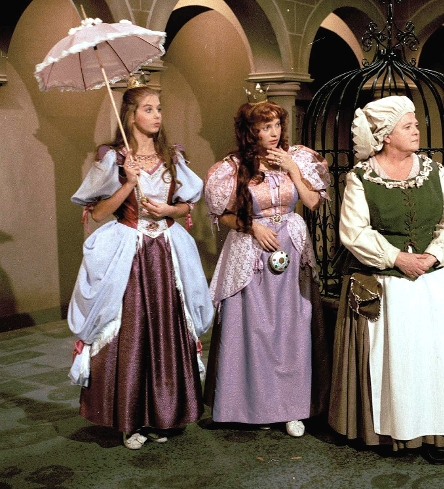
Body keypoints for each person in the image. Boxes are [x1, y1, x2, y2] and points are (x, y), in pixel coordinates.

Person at [67, 84, 214, 450]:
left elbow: (186, 205)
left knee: (166, 329)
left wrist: (169, 210)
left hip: (165, 252)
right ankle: (129, 419)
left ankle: (163, 414)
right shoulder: (114, 158)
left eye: (159, 108)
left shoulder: (172, 155)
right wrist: (128, 183)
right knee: (131, 330)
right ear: (130, 116)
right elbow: (98, 213)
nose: (157, 115)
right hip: (129, 253)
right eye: (148, 109)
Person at [328, 95, 444, 463]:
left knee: (435, 358)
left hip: (434, 281)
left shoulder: (433, 171)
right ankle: (396, 430)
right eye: (408, 126)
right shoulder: (361, 177)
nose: (417, 130)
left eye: (416, 124)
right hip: (388, 283)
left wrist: (433, 255)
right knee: (399, 360)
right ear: (387, 135)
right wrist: (396, 258)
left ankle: (438, 433)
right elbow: (354, 231)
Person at [203, 100, 331, 437]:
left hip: (292, 249)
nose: (273, 133)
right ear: (251, 132)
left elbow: (313, 202)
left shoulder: (296, 157)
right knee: (255, 329)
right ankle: (251, 406)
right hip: (252, 252)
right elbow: (222, 215)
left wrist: (292, 169)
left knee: (292, 327)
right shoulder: (233, 167)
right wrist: (252, 227)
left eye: (276, 125)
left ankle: (293, 408)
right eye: (264, 127)